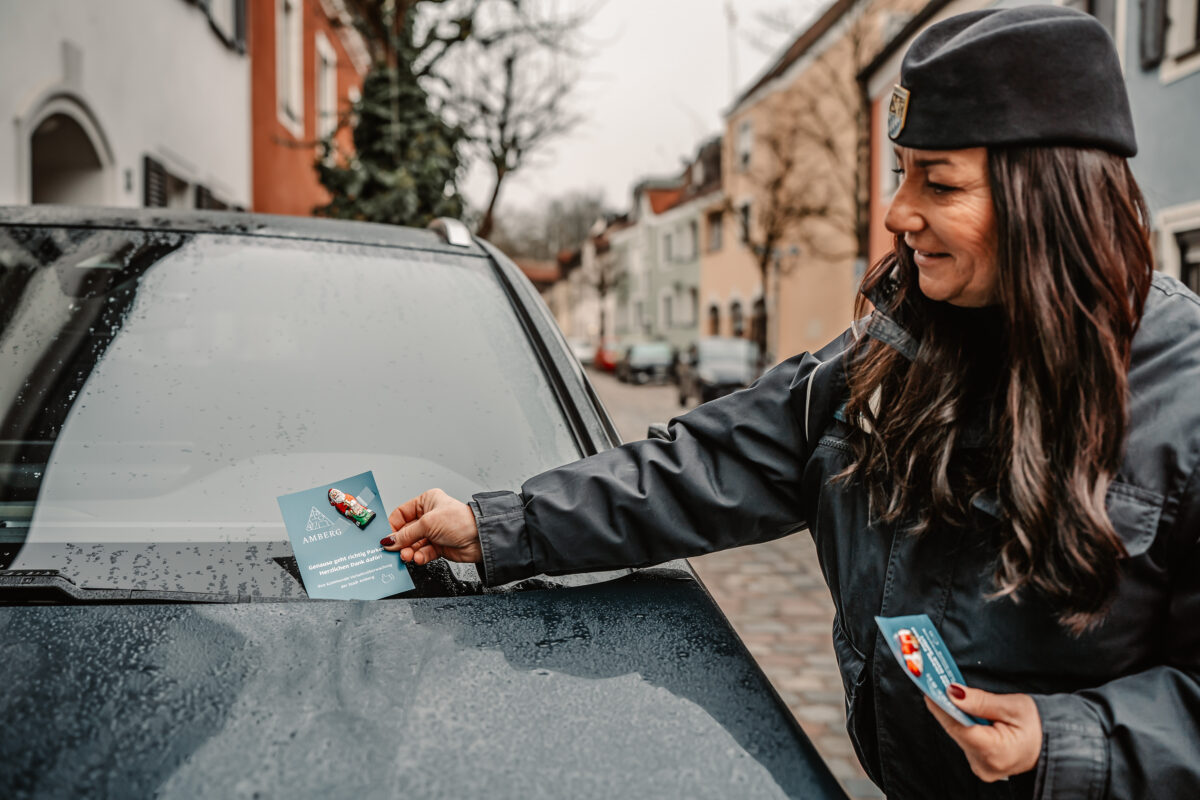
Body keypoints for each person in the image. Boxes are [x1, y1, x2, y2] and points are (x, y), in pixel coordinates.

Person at [381, 7, 1200, 798]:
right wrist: (498, 529)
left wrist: (1070, 744)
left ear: (1050, 202)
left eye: (939, 184)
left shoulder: (1185, 399)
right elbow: (706, 464)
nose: (897, 213)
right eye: (901, 173)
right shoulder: (893, 354)